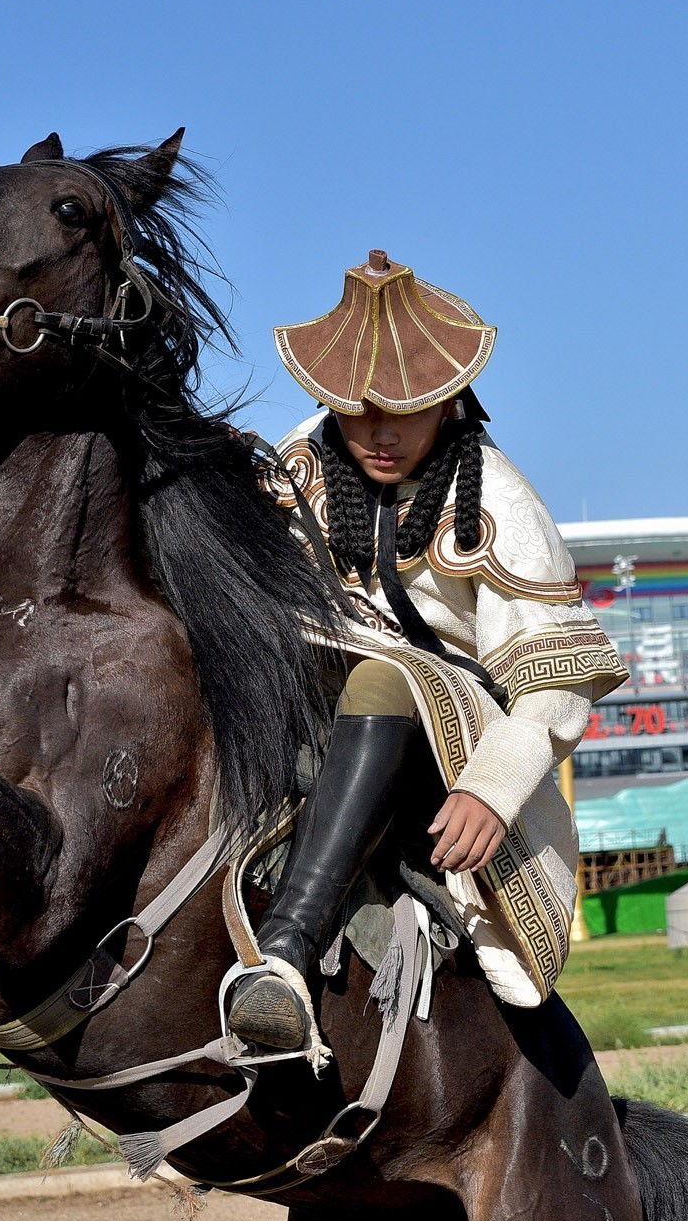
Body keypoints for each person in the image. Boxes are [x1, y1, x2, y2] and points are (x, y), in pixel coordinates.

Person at [227, 251, 627, 1051]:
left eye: (405, 410)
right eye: (358, 409)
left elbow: (555, 680)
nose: (379, 433)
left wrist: (493, 788)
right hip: (307, 697)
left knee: (384, 678)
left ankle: (285, 954)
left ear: (449, 398)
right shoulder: (293, 467)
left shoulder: (500, 498)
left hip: (457, 733)